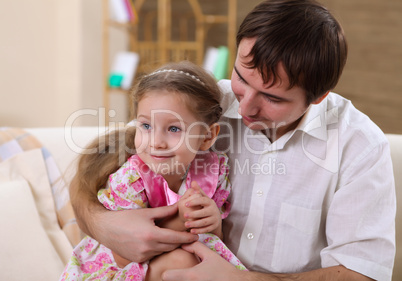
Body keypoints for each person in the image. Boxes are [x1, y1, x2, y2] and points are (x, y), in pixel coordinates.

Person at [70, 0, 396, 280]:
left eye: (272, 97)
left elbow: (360, 273)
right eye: (242, 77)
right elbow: (97, 168)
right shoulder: (207, 103)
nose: (245, 105)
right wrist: (104, 225)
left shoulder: (359, 147)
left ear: (319, 97)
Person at [60, 61, 246, 281]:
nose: (156, 142)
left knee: (196, 264)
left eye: (174, 129)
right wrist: (180, 218)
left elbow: (215, 244)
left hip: (186, 263)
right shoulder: (131, 179)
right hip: (119, 271)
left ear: (207, 137)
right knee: (183, 263)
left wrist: (213, 223)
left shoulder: (212, 172)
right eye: (146, 126)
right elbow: (123, 256)